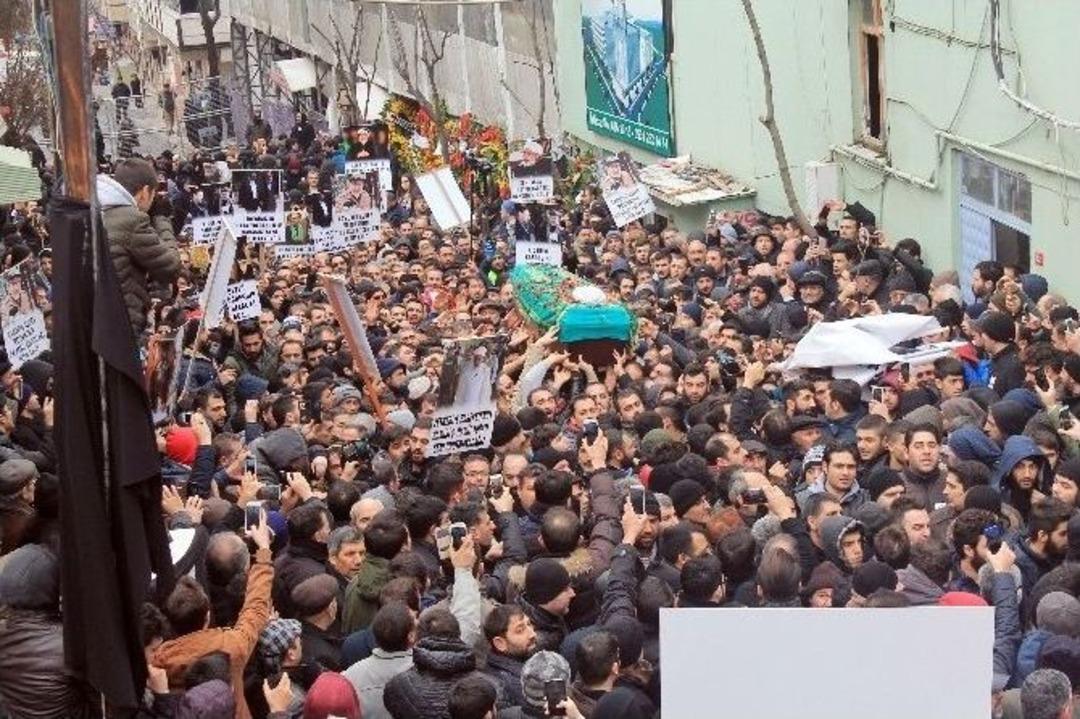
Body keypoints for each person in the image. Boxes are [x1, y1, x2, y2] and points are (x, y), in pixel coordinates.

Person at [97, 158, 181, 336]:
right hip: (122, 323)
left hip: (97, 318)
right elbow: (170, 267)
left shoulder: (97, 211)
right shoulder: (132, 219)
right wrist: (161, 218)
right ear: (144, 192)